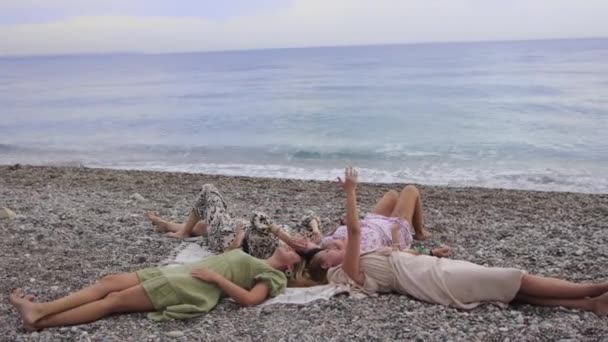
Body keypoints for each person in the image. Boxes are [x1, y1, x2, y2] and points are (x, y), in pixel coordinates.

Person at [307, 167, 608, 317]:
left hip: (432, 268)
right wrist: (350, 192)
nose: (338, 246)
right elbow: (357, 233)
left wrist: (427, 249)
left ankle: (593, 304)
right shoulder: (343, 273)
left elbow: (401, 254)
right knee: (514, 278)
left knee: (508, 292)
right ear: (326, 265)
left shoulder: (359, 263)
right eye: (331, 250)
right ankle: (592, 288)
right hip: (434, 278)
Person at [9, 246, 301, 330]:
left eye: (295, 251)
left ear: (290, 267)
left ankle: (40, 317)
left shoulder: (275, 276)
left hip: (194, 285)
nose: (290, 244)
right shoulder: (256, 255)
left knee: (114, 300)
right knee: (108, 282)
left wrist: (218, 281)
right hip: (178, 271)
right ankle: (40, 312)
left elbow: (250, 300)